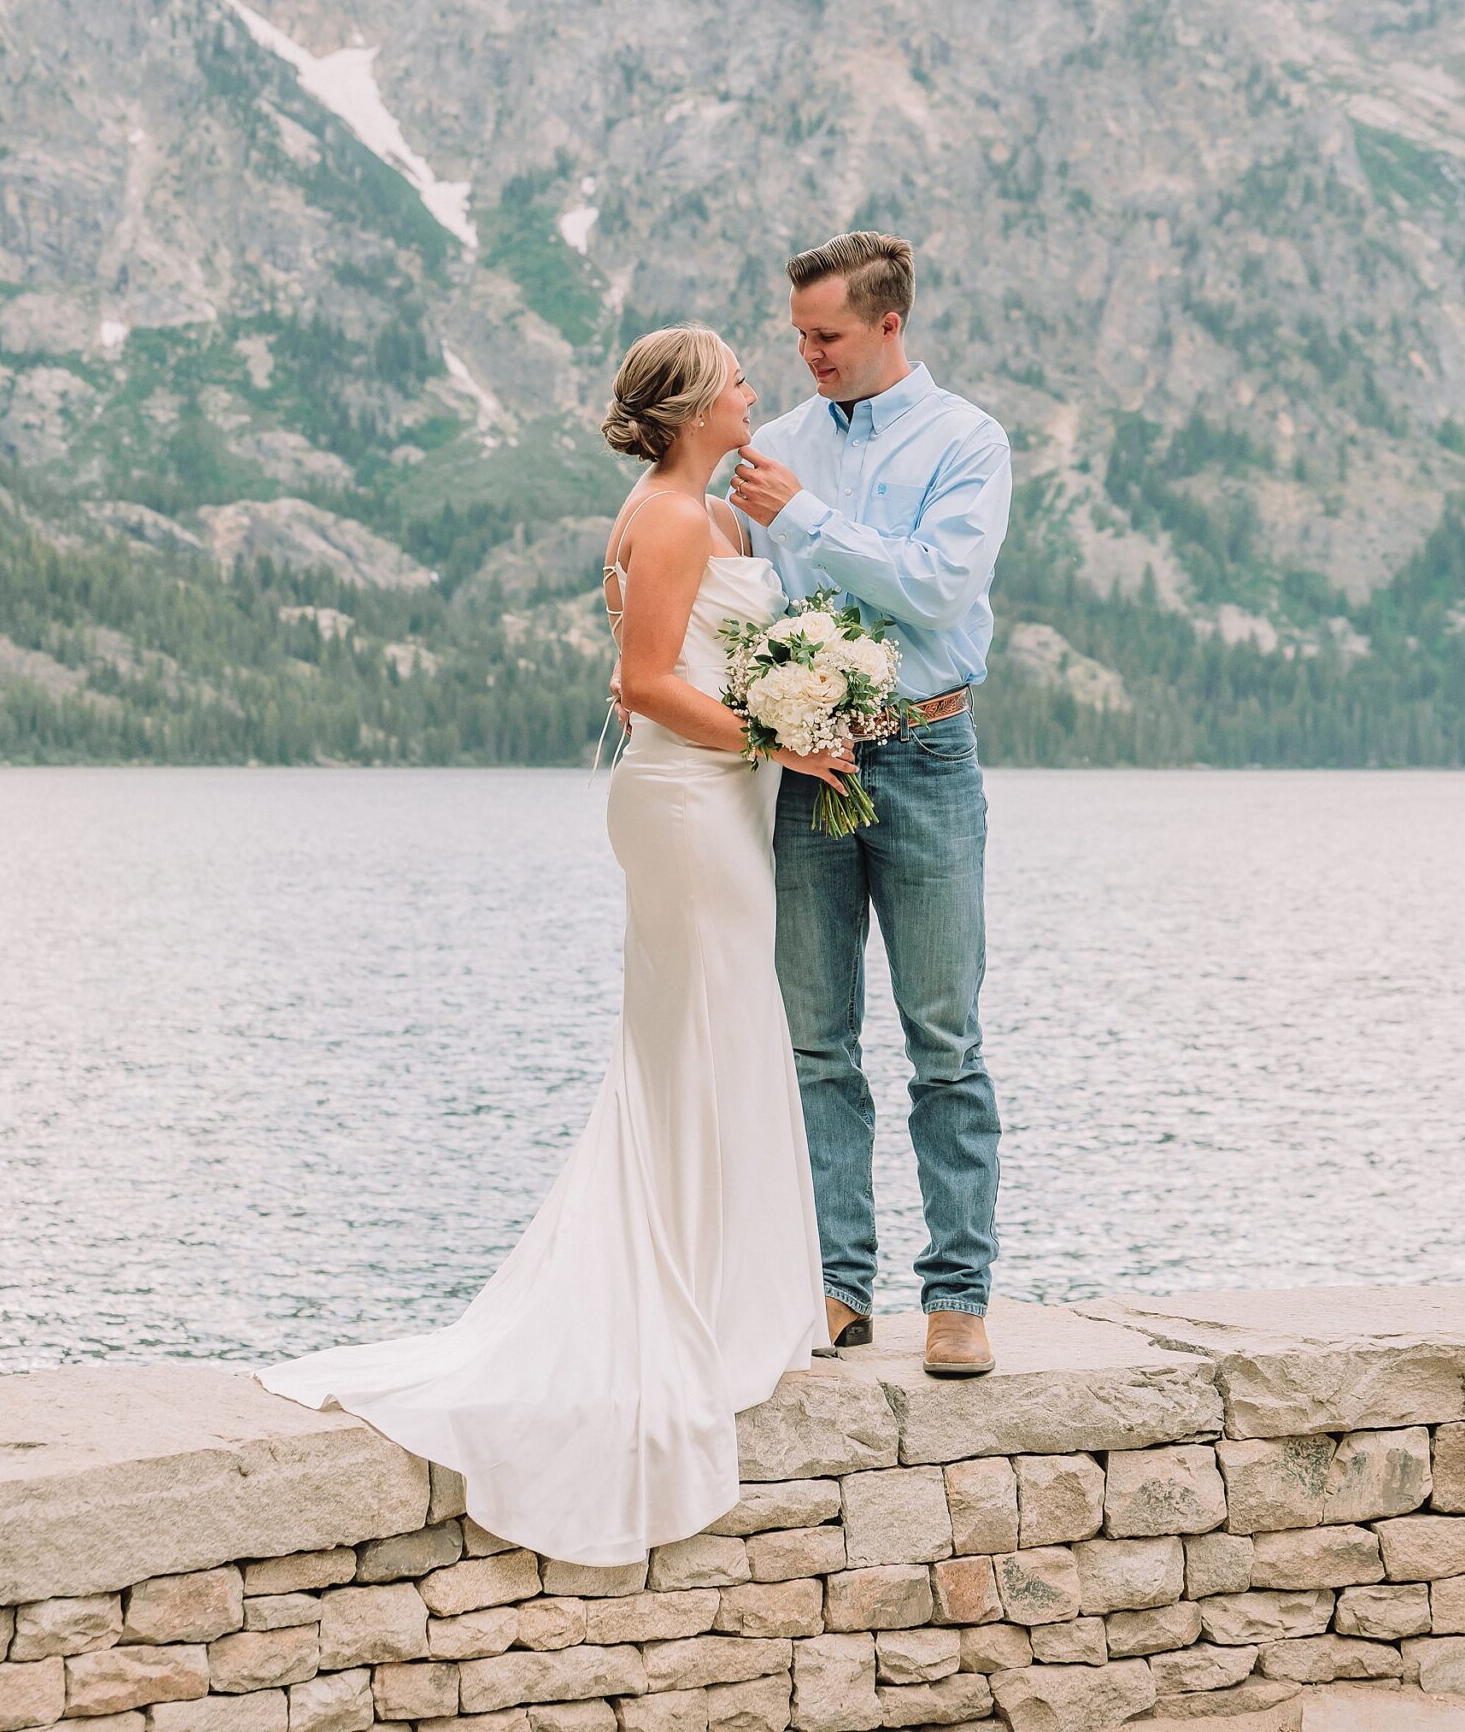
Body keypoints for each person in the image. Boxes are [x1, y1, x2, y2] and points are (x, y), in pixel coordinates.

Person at [260, 325, 851, 1564]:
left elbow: (680, 662)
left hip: (714, 801)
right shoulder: (671, 517)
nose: (754, 388)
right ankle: (686, 1304)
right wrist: (781, 738)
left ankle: (725, 1289)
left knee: (715, 1039)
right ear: (692, 406)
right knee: (696, 1040)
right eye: (737, 377)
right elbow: (649, 684)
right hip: (687, 803)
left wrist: (788, 698)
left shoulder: (704, 512)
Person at [729, 231, 1012, 1380]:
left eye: (827, 335)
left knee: (943, 1037)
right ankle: (833, 1285)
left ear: (888, 323)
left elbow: (937, 586)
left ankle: (957, 1297)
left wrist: (802, 517)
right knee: (813, 1041)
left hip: (928, 753)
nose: (807, 355)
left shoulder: (966, 440)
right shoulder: (775, 447)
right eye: (798, 334)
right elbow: (745, 583)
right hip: (807, 768)